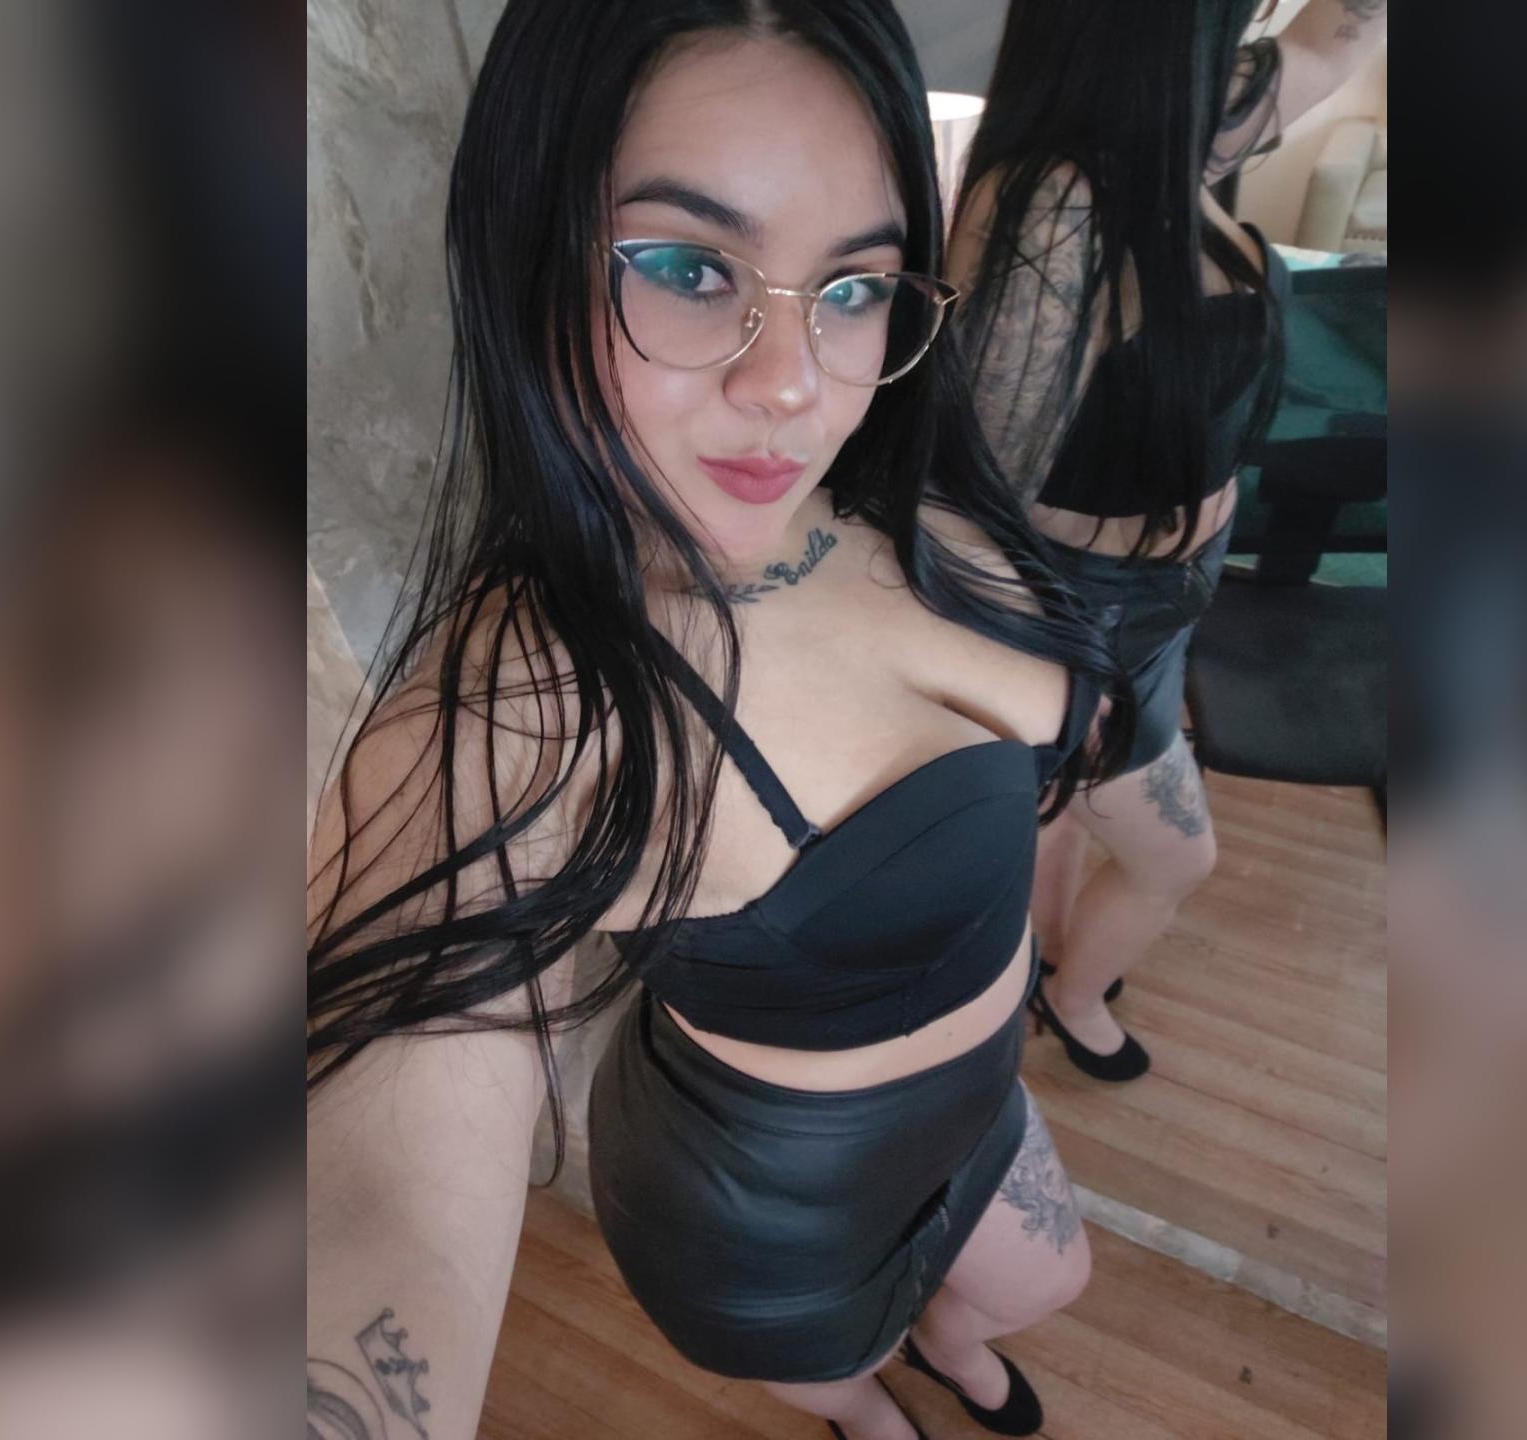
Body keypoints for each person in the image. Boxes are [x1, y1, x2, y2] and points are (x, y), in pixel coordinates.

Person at [306, 4, 1138, 1439]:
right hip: (761, 1219)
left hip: (979, 1108)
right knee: (844, 1385)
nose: (793, 385)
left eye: (854, 286)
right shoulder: (513, 711)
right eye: (690, 268)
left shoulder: (908, 506)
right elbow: (370, 1203)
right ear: (527, 260)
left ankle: (939, 1347)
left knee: (1046, 1280)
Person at [948, 0, 1387, 1080]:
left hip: (1165, 597)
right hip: (1082, 617)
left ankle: (1053, 960)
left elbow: (1333, 42)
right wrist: (1058, 671)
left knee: (1058, 816)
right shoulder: (1053, 204)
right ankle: (1072, 998)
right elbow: (978, 492)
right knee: (1176, 856)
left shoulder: (1176, 121)